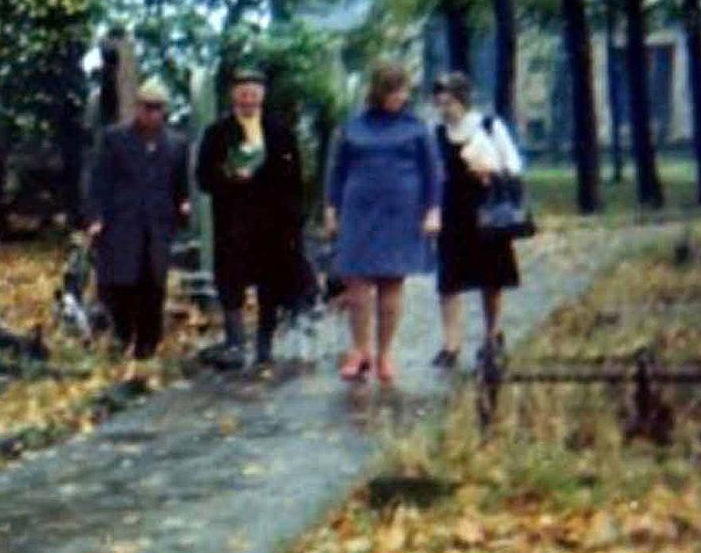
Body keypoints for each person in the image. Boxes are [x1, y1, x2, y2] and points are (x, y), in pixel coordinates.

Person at [323, 61, 442, 386]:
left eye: (402, 91)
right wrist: (331, 209)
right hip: (358, 211)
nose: (398, 97)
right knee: (357, 284)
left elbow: (433, 173)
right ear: (378, 92)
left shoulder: (417, 128)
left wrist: (433, 211)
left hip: (401, 213)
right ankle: (359, 351)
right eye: (392, 91)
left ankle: (385, 353)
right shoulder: (353, 127)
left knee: (391, 282)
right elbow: (337, 170)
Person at [194, 66, 306, 370]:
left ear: (263, 95)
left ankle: (264, 346)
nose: (248, 99)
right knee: (231, 281)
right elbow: (203, 177)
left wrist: (295, 217)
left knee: (270, 282)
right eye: (243, 93)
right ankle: (235, 344)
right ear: (234, 96)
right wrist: (228, 176)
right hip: (233, 220)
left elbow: (294, 178)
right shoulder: (218, 132)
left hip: (272, 222)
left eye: (254, 93)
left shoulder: (279, 130)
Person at [85, 76, 191, 362]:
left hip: (158, 225)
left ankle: (148, 346)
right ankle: (122, 338)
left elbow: (180, 184)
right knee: (121, 284)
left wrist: (183, 205)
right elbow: (99, 180)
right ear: (138, 107)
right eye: (146, 107)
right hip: (122, 222)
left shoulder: (176, 144)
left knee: (153, 285)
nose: (151, 114)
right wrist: (96, 216)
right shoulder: (115, 138)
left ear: (164, 110)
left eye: (157, 108)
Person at [430, 71, 522, 367]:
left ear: (462, 100)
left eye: (449, 103)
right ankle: (451, 343)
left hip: (487, 211)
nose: (445, 110)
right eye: (440, 104)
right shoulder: (438, 133)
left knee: (490, 277)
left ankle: (493, 334)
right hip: (452, 212)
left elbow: (513, 164)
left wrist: (490, 170)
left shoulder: (489, 126)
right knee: (449, 280)